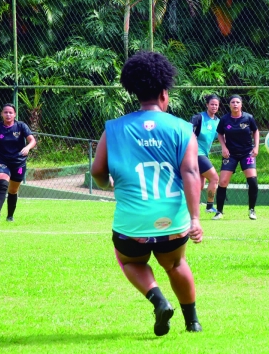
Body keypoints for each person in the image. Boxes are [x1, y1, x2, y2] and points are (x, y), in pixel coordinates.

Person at [90, 51, 203, 336]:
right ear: (164, 93)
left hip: (132, 223)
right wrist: (195, 219)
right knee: (175, 263)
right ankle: (193, 322)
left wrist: (106, 184)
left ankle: (158, 300)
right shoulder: (182, 128)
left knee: (129, 261)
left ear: (135, 92)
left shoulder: (114, 129)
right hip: (172, 221)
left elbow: (97, 172)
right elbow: (191, 172)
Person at [0, 103, 36, 223]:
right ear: (1, 114)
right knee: (2, 184)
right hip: (3, 161)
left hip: (19, 163)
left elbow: (32, 140)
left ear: (15, 114)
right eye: (5, 112)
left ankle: (10, 216)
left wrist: (27, 147)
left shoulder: (21, 126)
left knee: (13, 190)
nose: (8, 114)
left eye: (10, 112)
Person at [214, 94, 260, 220]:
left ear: (241, 104)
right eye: (233, 102)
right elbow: (220, 134)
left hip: (247, 153)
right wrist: (223, 147)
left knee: (253, 181)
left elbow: (256, 131)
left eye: (237, 102)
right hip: (231, 154)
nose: (235, 104)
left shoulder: (248, 118)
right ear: (229, 105)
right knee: (223, 182)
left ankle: (252, 210)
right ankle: (219, 211)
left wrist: (256, 147)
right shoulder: (224, 119)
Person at [190, 94, 221, 214]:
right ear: (207, 105)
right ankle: (209, 207)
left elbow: (221, 137)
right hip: (196, 153)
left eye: (216, 105)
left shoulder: (218, 121)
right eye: (212, 104)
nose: (214, 106)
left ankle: (192, 205)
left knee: (201, 183)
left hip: (204, 154)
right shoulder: (199, 118)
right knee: (214, 178)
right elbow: (188, 130)